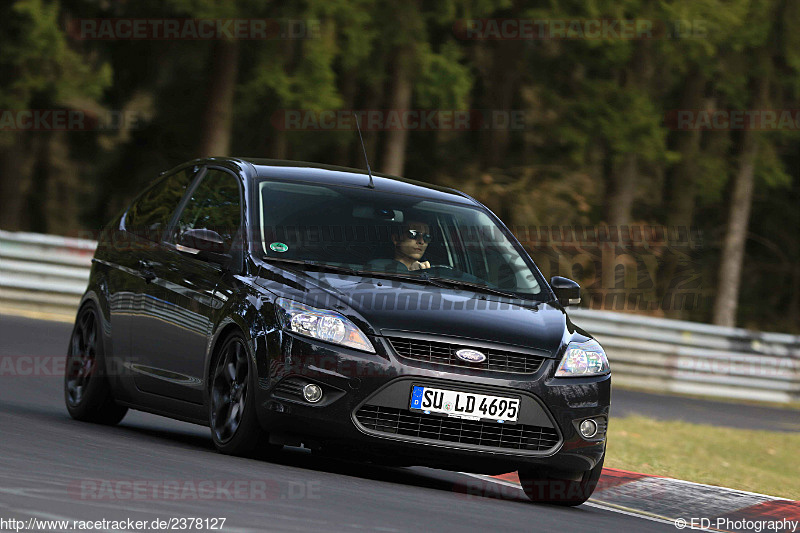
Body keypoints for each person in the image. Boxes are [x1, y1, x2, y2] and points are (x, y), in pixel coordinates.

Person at [365, 220, 432, 272]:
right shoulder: (376, 269)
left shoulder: (432, 276)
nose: (421, 241)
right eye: (413, 234)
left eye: (426, 237)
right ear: (396, 239)